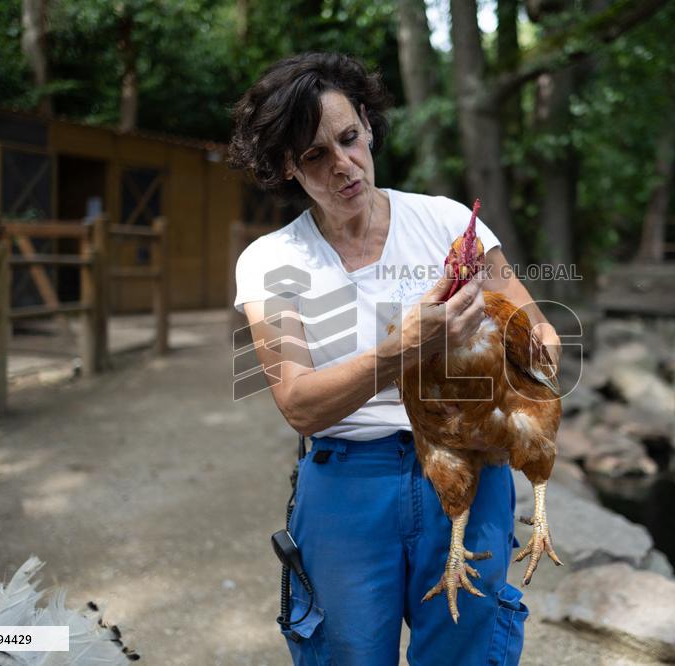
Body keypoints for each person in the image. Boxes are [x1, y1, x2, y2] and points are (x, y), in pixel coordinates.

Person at [228, 52, 560, 666]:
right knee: (348, 654)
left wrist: (532, 347)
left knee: (466, 650)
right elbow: (299, 404)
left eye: (349, 139)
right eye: (314, 156)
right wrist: (404, 350)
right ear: (285, 168)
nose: (343, 166)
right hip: (348, 481)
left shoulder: (447, 222)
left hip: (468, 460)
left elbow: (534, 325)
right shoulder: (271, 261)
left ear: (369, 126)